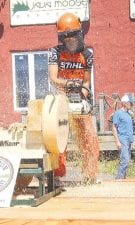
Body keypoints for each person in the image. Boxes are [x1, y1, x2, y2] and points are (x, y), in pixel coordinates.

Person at [48, 12, 99, 183]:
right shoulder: (54, 52)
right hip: (62, 98)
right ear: (61, 37)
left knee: (89, 138)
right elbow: (53, 78)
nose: (69, 40)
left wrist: (82, 96)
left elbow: (86, 81)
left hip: (80, 98)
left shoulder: (87, 54)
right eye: (65, 37)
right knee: (57, 139)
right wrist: (68, 85)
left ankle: (89, 175)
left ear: (79, 34)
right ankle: (57, 175)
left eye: (72, 36)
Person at [112, 94, 135, 180]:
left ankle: (123, 178)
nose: (132, 105)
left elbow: (130, 129)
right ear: (125, 103)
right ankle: (119, 178)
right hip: (122, 139)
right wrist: (117, 141)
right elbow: (114, 128)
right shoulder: (118, 113)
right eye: (130, 103)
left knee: (127, 159)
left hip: (129, 139)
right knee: (125, 159)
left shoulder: (129, 114)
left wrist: (133, 141)